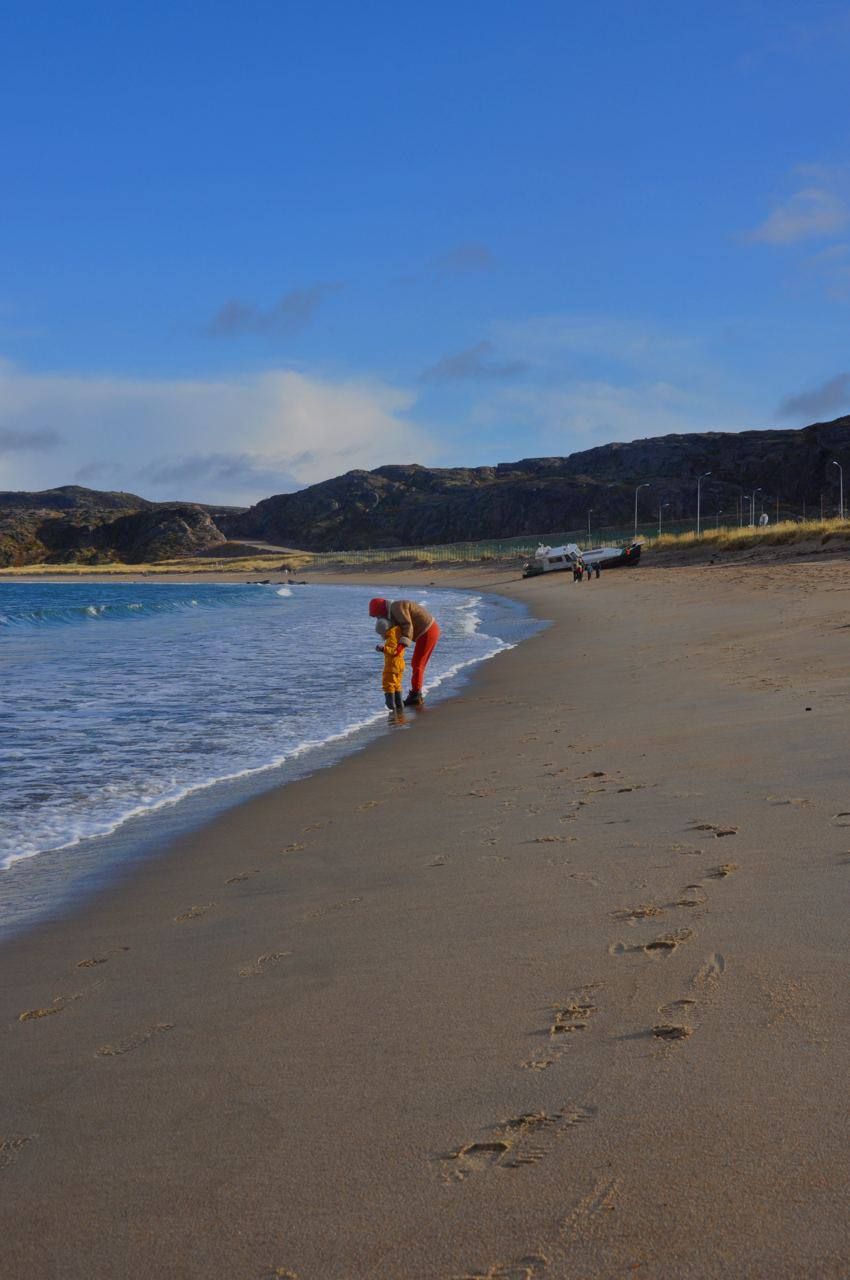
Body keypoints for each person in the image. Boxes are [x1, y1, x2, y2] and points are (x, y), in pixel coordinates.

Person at [368, 597, 440, 706]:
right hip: (429, 630)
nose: (378, 618)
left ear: (381, 610)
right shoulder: (393, 610)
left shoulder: (397, 607)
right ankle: (416, 693)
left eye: (378, 615)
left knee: (417, 664)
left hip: (427, 631)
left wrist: (401, 646)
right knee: (417, 664)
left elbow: (407, 626)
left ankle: (416, 695)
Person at [375, 618, 405, 713]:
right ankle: (400, 706)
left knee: (388, 684)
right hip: (399, 665)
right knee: (397, 685)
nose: (381, 636)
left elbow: (395, 651)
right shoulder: (397, 633)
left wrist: (383, 649)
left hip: (392, 665)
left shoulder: (391, 637)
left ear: (385, 631)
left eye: (381, 634)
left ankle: (392, 707)